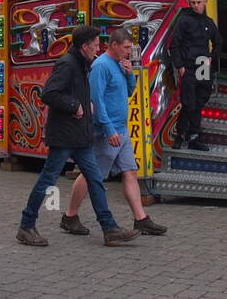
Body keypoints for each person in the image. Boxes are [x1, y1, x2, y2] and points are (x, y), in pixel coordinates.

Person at [17, 25, 139, 247]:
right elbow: (49, 94)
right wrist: (75, 106)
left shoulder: (84, 64)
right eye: (94, 45)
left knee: (95, 179)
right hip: (64, 135)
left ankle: (109, 227)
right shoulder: (67, 64)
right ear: (84, 46)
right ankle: (26, 225)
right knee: (48, 179)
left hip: (80, 135)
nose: (97, 48)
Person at [62, 27, 167, 237]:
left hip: (121, 129)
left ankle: (141, 219)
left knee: (130, 171)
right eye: (126, 47)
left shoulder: (119, 65)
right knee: (92, 174)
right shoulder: (101, 66)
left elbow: (129, 92)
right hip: (106, 131)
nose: (129, 52)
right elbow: (96, 100)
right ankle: (70, 215)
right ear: (114, 45)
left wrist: (129, 74)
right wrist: (108, 128)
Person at [167, 0, 222, 151]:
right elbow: (174, 44)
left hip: (203, 65)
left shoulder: (209, 22)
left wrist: (212, 56)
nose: (196, 6)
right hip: (189, 66)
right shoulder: (184, 20)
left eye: (198, 2)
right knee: (188, 103)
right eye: (193, 3)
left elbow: (219, 42)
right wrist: (180, 66)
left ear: (205, 2)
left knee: (199, 102)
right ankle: (179, 135)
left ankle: (194, 137)